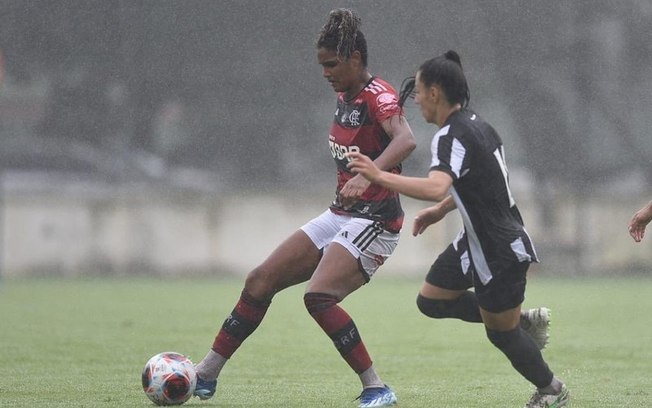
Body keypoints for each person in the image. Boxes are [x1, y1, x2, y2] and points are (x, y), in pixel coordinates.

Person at [192, 9, 416, 408]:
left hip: (376, 221)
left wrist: (369, 175)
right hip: (340, 214)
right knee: (260, 281)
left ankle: (377, 388)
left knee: (319, 297)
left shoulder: (378, 96)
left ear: (355, 59)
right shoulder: (344, 95)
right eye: (321, 64)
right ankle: (205, 374)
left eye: (332, 64)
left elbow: (406, 140)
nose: (325, 72)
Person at [346, 50, 570, 408]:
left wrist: (378, 175)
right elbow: (482, 181)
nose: (416, 99)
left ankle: (552, 390)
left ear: (435, 92)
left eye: (418, 91)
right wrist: (442, 209)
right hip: (476, 241)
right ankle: (523, 320)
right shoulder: (478, 124)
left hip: (498, 249)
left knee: (502, 334)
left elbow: (437, 184)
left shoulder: (450, 135)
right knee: (431, 300)